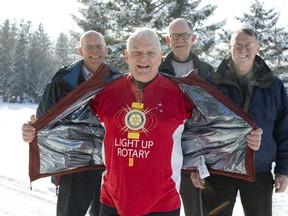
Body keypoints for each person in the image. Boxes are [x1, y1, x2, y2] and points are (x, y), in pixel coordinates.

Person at [23, 27, 262, 216]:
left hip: (163, 203)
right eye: (136, 52)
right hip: (113, 202)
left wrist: (247, 136)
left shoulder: (181, 94)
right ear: (127, 56)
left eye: (149, 52)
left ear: (160, 56)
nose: (143, 58)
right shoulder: (106, 92)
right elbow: (74, 126)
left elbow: (209, 132)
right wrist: (37, 132)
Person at [22, 30, 121, 216]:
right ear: (80, 50)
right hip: (72, 166)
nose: (95, 51)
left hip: (108, 166)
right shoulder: (62, 82)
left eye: (98, 46)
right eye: (89, 47)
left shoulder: (119, 82)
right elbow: (43, 122)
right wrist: (31, 131)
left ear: (106, 50)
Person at [191, 27, 288, 216]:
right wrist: (196, 165)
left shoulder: (274, 86)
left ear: (258, 48)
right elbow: (197, 126)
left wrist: (283, 170)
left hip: (258, 169)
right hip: (219, 169)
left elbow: (284, 130)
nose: (243, 49)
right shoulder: (211, 83)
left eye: (249, 45)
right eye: (238, 45)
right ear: (230, 47)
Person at [159, 18, 214, 216]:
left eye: (185, 35)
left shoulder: (207, 72)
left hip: (196, 150)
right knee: (163, 207)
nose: (180, 40)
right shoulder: (156, 71)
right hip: (165, 152)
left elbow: (213, 115)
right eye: (175, 36)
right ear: (167, 39)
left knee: (195, 210)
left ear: (194, 38)